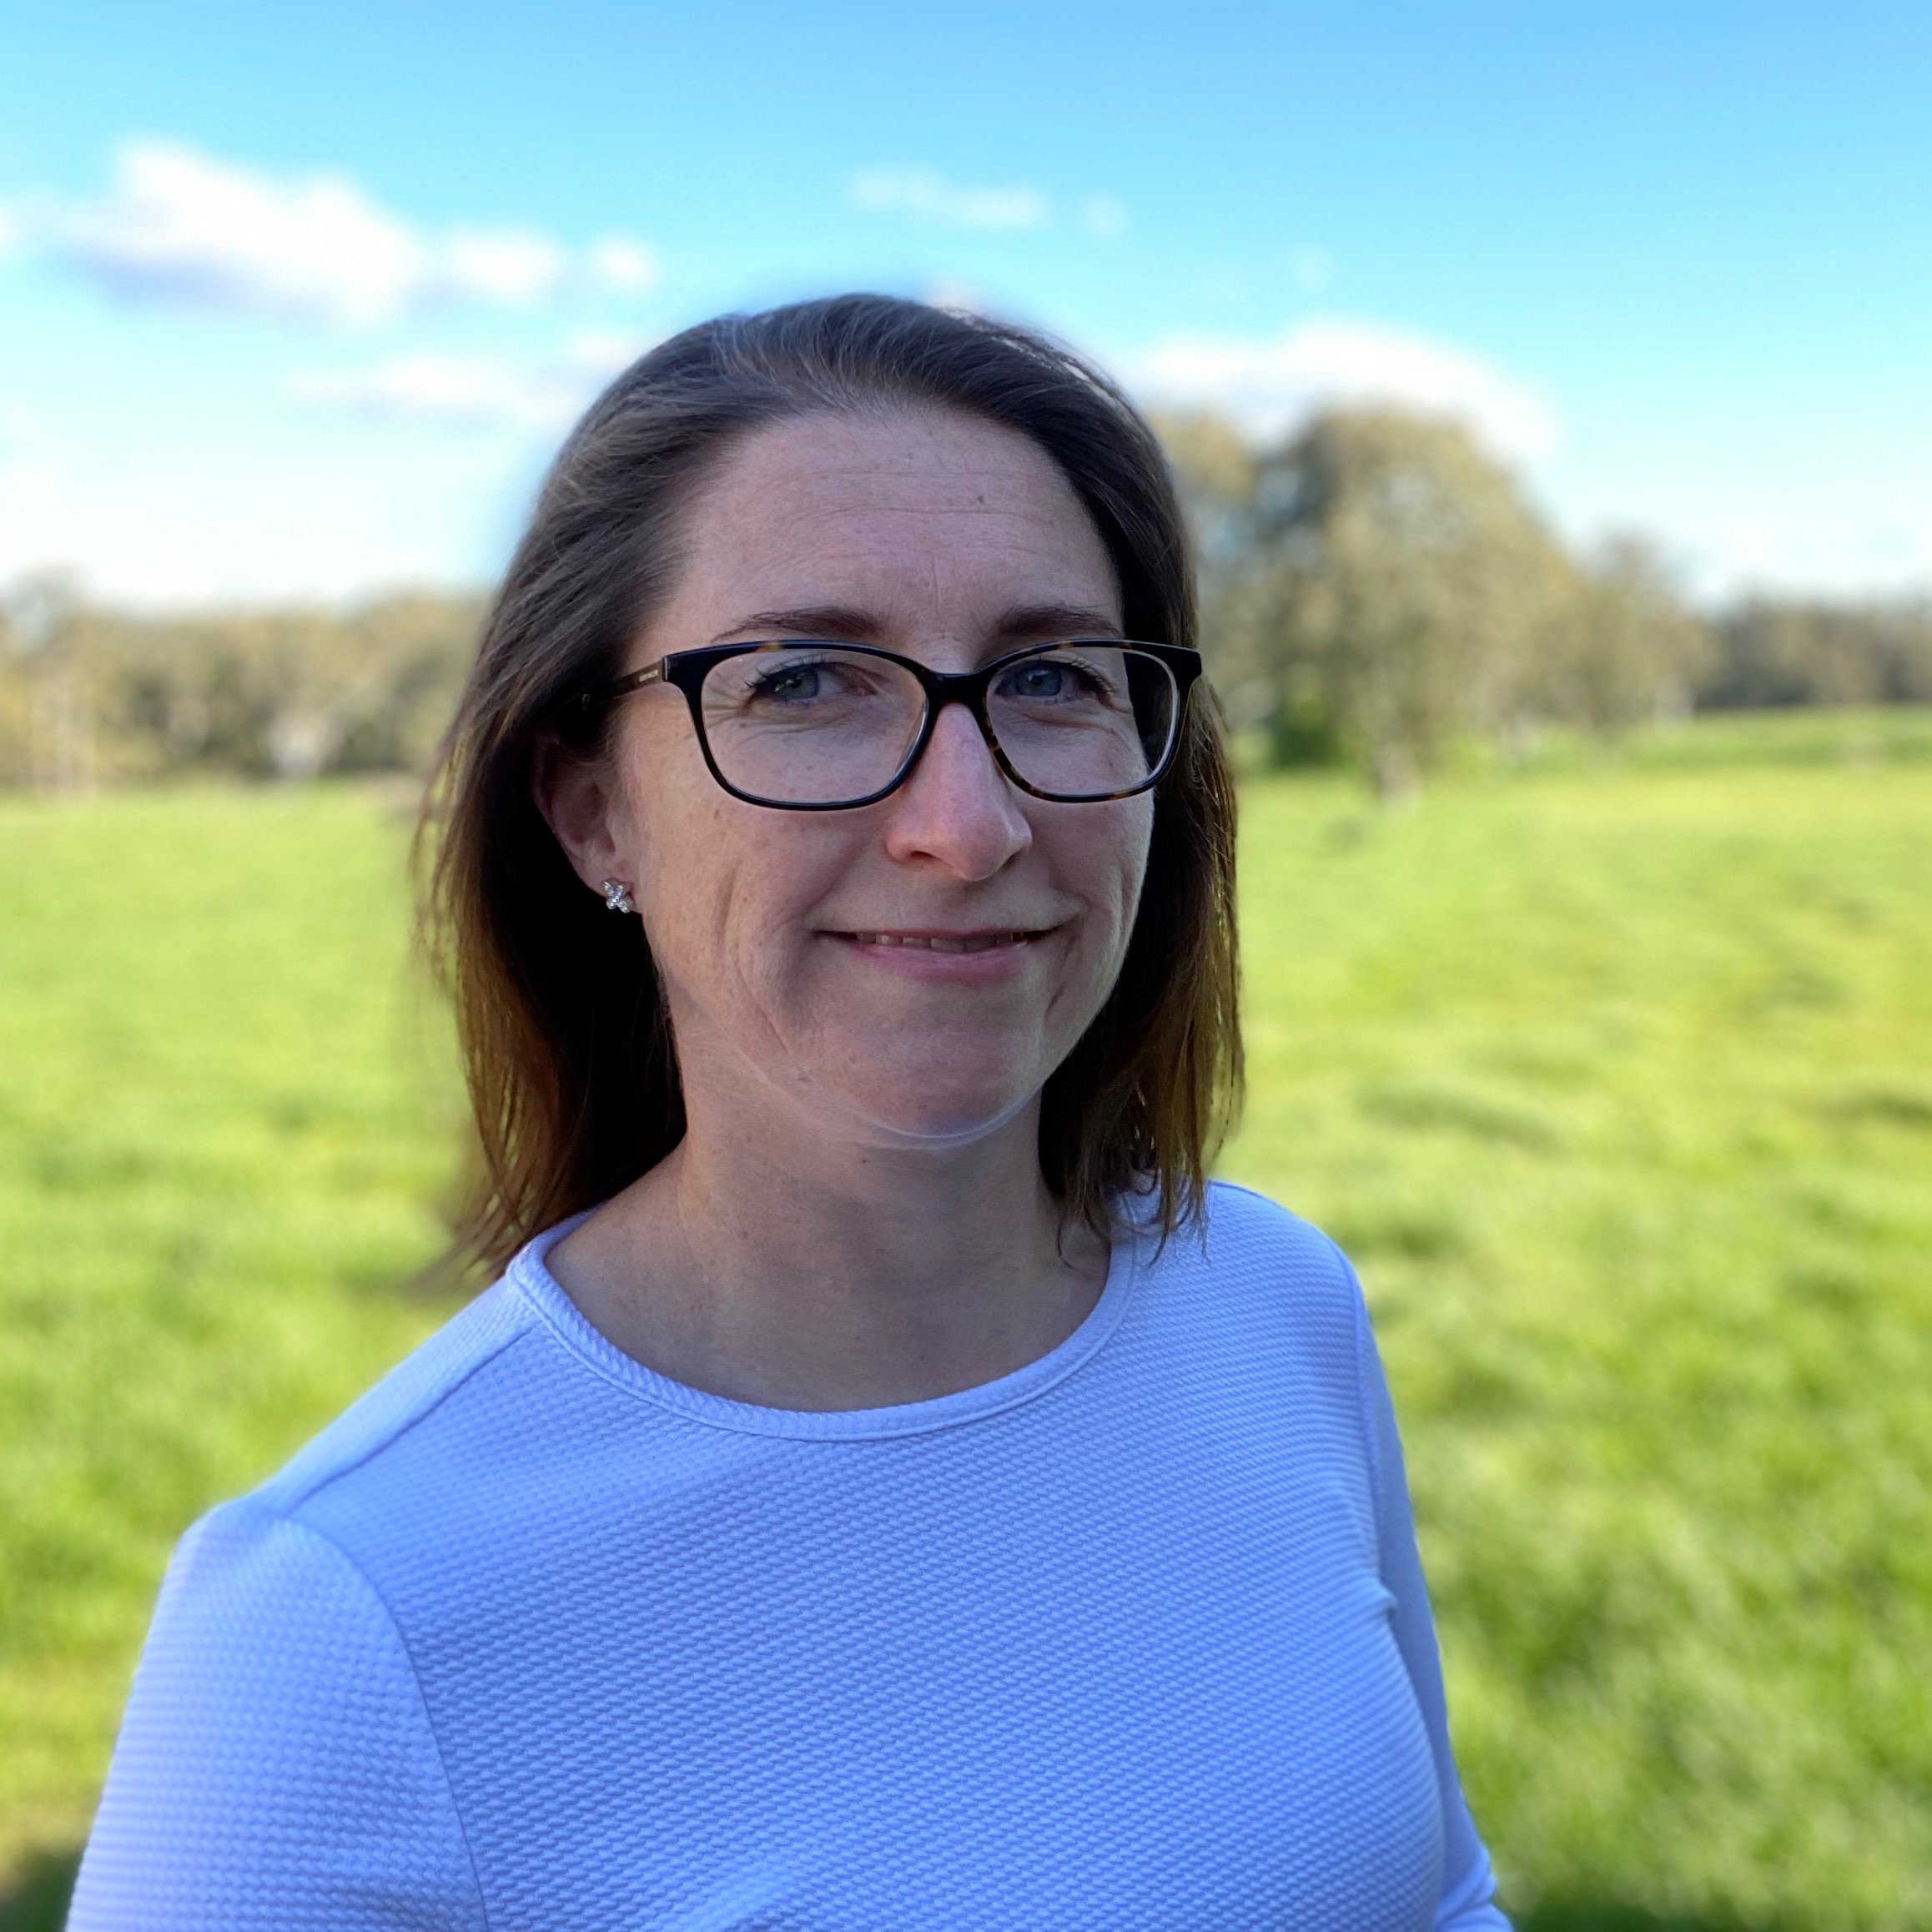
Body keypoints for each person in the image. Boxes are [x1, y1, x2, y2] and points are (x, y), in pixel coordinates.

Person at [68, 294, 1508, 1929]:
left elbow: (1444, 1897)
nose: (966, 827)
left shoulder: (1277, 1308)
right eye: (811, 680)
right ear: (592, 806)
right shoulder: (340, 1628)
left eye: (1050, 678)